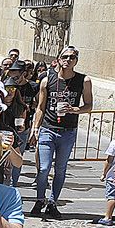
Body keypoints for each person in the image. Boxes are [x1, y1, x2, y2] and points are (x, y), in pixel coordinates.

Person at [29, 46, 92, 217]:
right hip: (48, 129)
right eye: (65, 56)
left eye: (72, 57)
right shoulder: (47, 80)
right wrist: (35, 128)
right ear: (58, 58)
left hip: (68, 131)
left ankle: (52, 202)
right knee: (43, 168)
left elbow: (89, 106)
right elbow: (40, 107)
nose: (68, 60)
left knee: (61, 169)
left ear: (76, 61)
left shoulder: (83, 80)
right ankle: (40, 199)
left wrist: (74, 109)